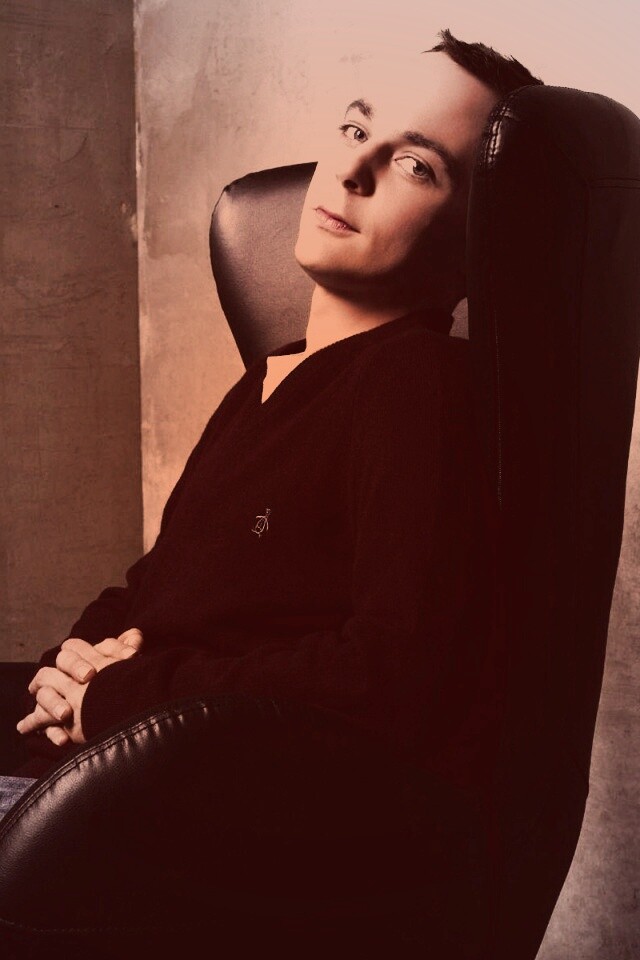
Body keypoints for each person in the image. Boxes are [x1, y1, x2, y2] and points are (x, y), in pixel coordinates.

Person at [5, 30, 544, 821]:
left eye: (415, 166)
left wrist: (117, 696)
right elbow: (152, 589)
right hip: (92, 771)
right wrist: (68, 671)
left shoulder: (419, 383)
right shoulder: (267, 377)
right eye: (357, 129)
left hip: (198, 809)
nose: (353, 169)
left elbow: (386, 675)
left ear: (475, 240)